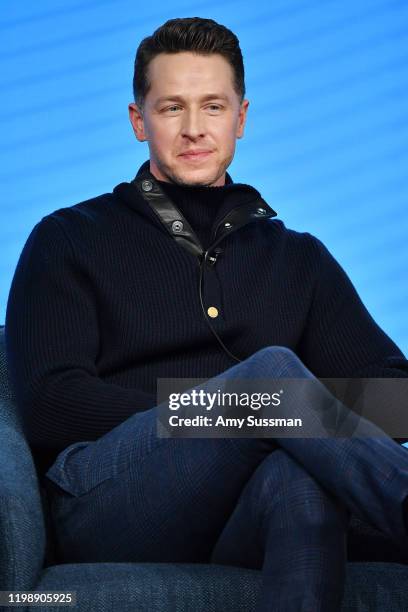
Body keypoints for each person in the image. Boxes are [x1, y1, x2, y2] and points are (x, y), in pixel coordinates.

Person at [5, 16, 408, 612]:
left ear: (241, 118)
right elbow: (49, 404)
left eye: (213, 107)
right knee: (270, 378)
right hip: (109, 501)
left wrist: (277, 414)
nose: (194, 129)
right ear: (139, 120)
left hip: (244, 508)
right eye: (172, 108)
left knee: (300, 486)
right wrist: (229, 406)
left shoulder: (298, 259)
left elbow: (395, 396)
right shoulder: (68, 238)